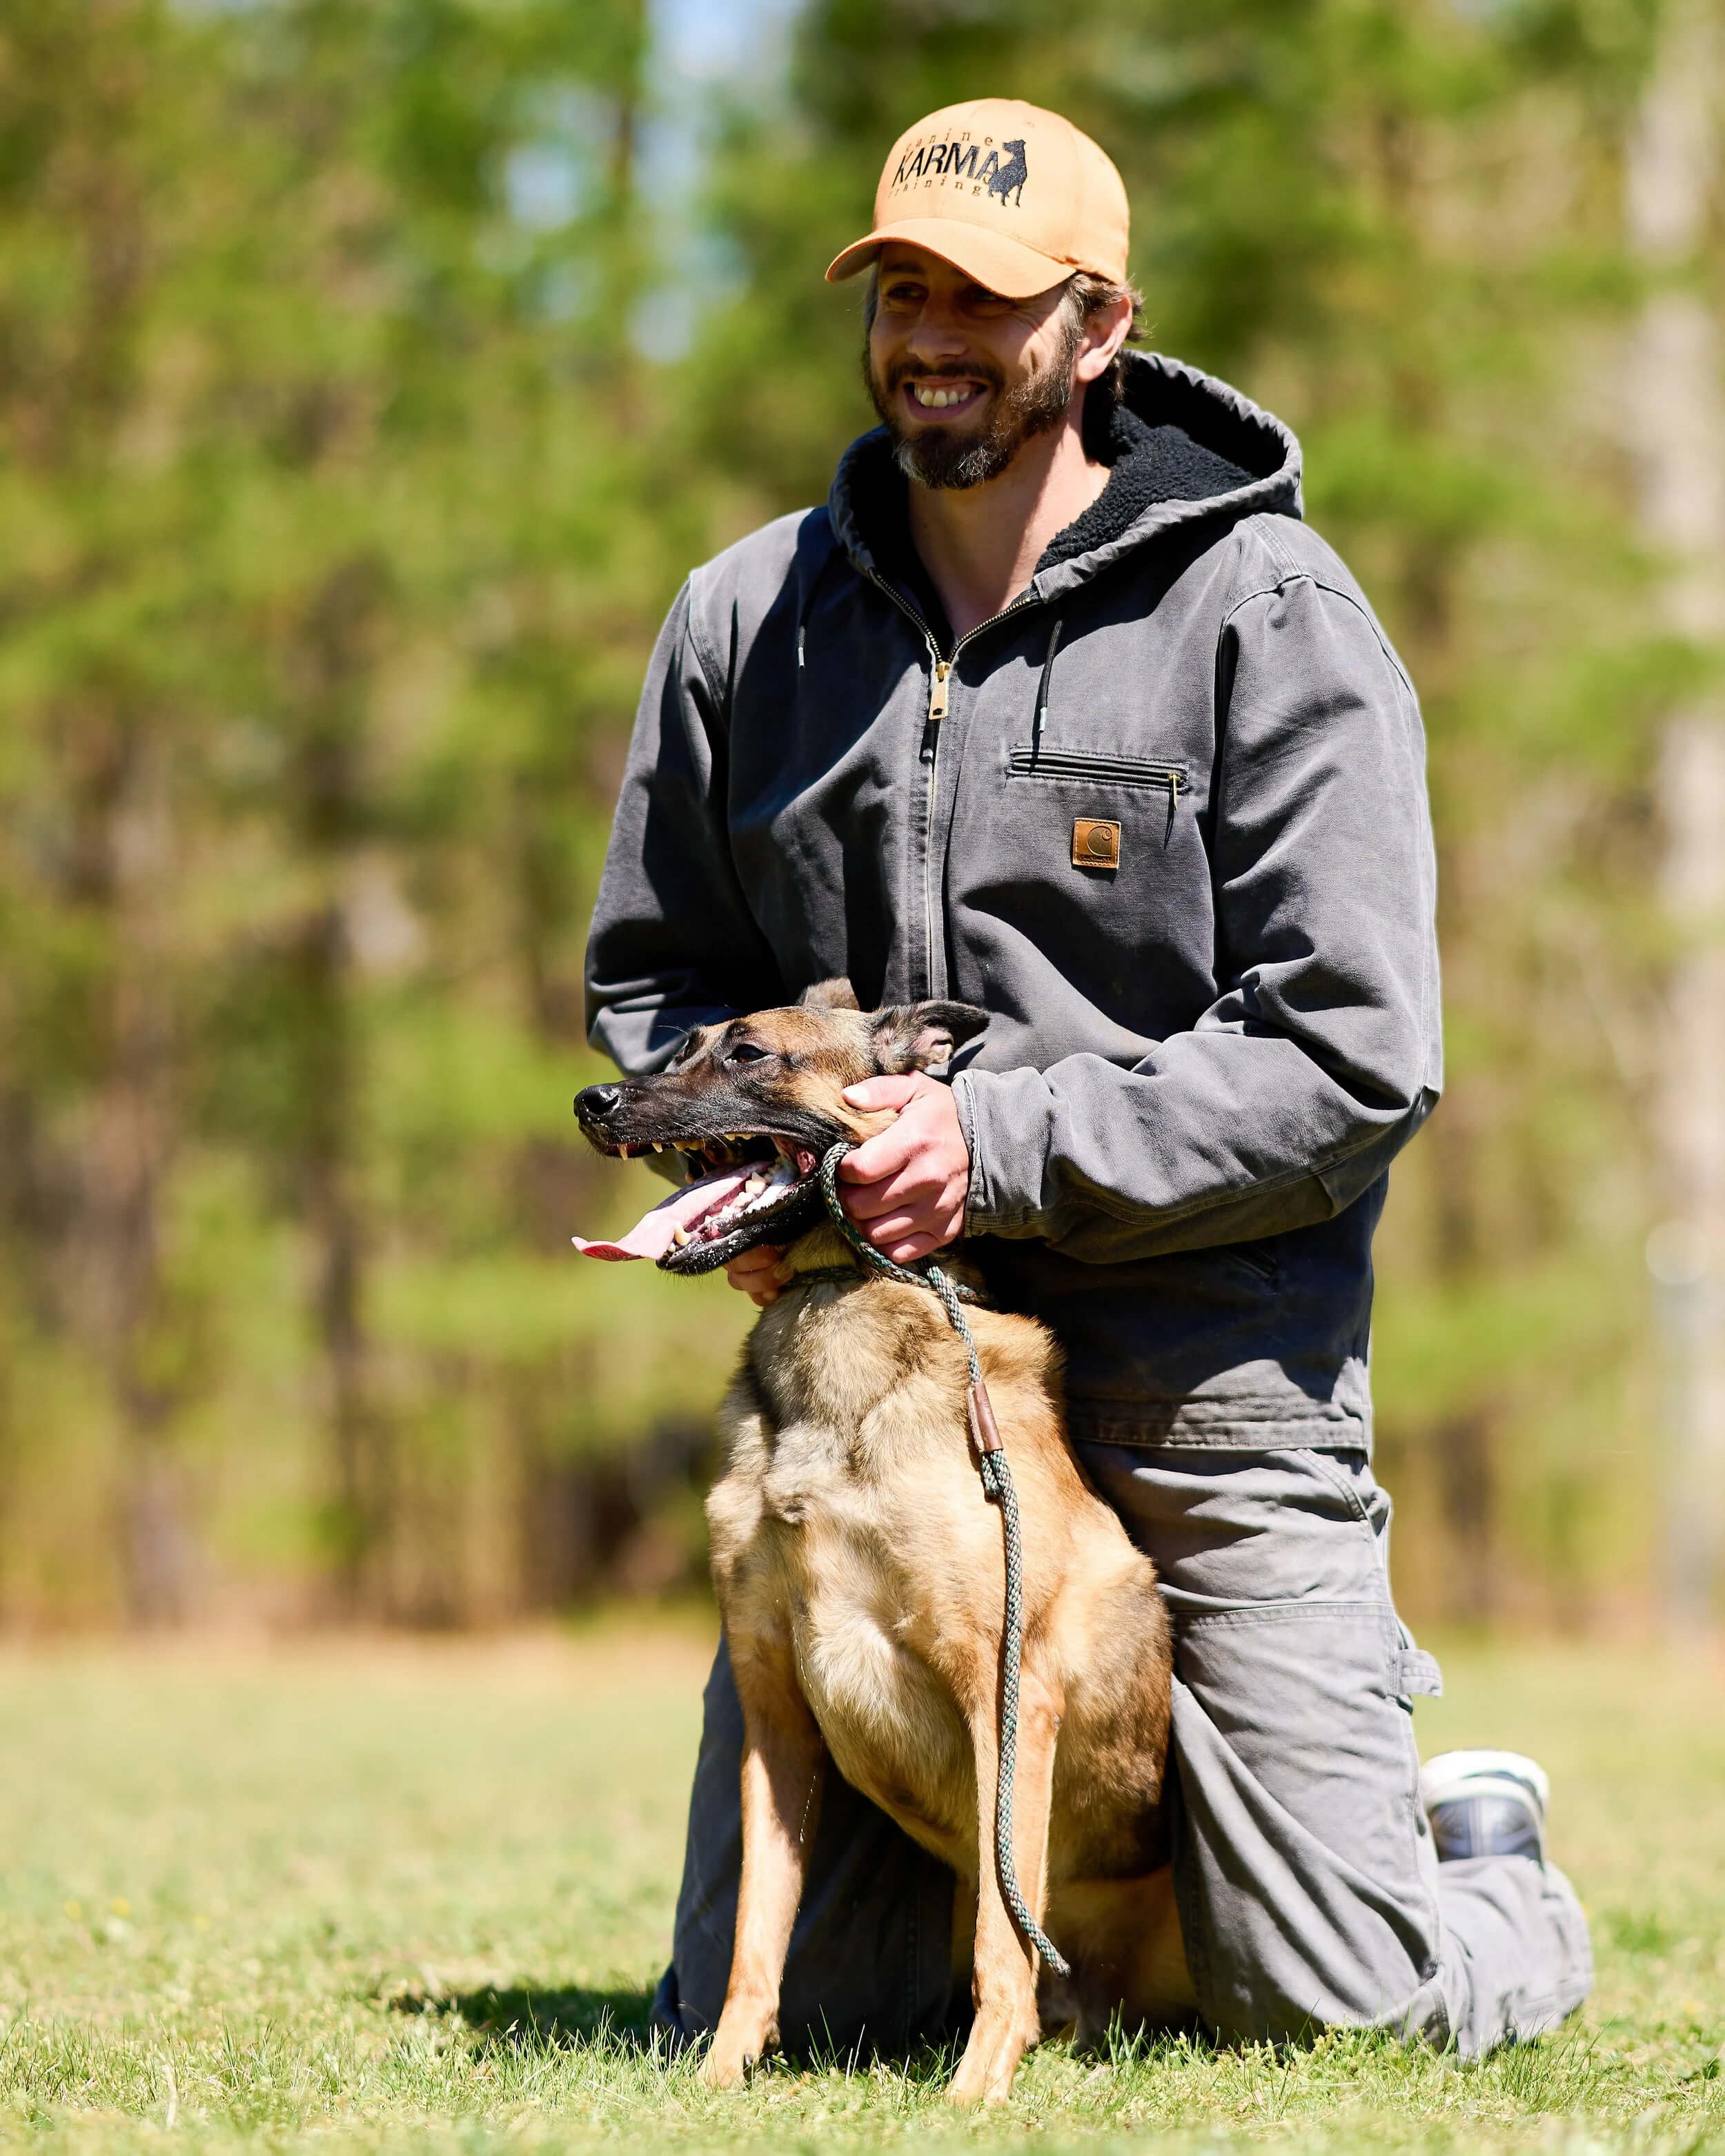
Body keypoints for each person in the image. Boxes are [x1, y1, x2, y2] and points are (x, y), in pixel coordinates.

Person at [584, 97, 1592, 2060]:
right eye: (897, 290)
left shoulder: (1268, 614)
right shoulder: (744, 619)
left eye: (984, 294)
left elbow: (1351, 1052)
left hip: (1201, 1387)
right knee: (774, 2018)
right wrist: (751, 1173)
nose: (929, 333)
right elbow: (657, 976)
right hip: (876, 1403)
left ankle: (1474, 1867)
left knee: (1323, 2013)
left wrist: (999, 1145)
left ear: (1100, 324)